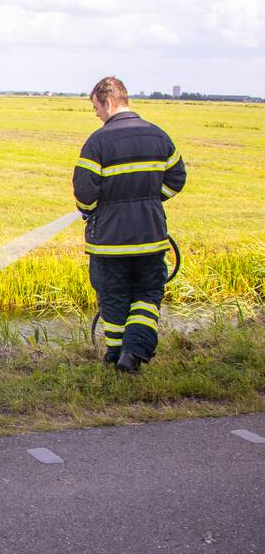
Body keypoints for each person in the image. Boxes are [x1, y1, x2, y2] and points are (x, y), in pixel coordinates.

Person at [73, 76, 186, 372]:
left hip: (109, 243)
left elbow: (85, 191)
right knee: (148, 297)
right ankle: (133, 353)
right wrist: (148, 201)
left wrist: (91, 211)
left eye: (96, 107)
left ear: (108, 101)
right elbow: (177, 179)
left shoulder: (97, 141)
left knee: (114, 298)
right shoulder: (158, 136)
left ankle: (116, 354)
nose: (96, 113)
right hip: (151, 238)